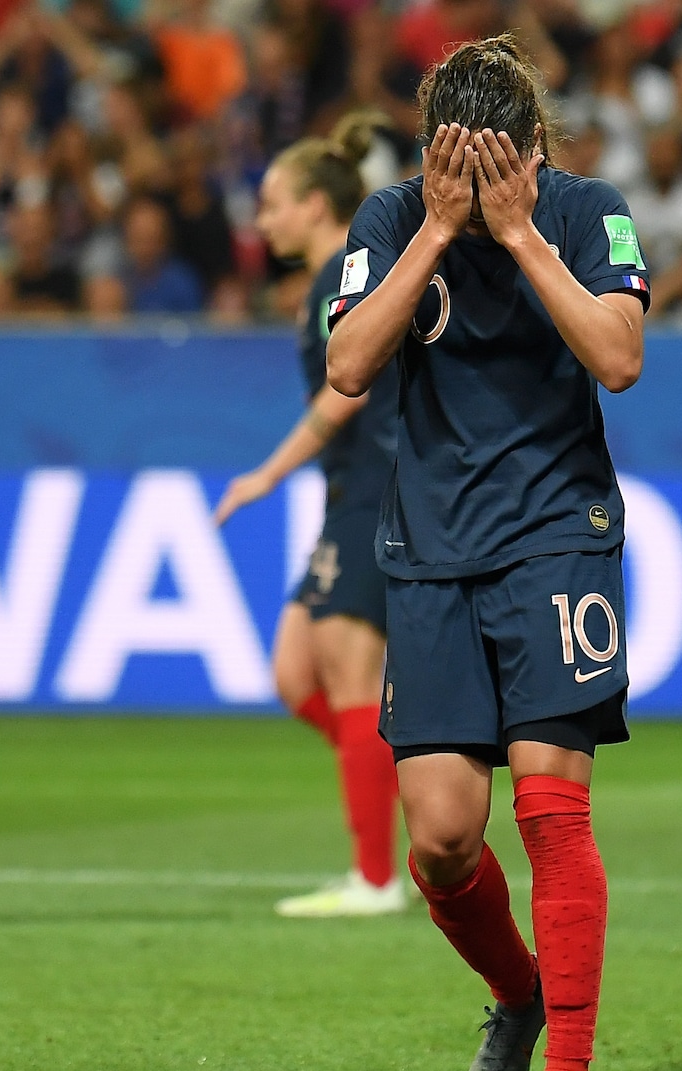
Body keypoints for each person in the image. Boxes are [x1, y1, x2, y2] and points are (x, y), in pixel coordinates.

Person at [325, 35, 648, 1071]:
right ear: (425, 156)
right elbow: (349, 364)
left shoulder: (585, 208)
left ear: (533, 147)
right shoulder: (388, 221)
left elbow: (617, 358)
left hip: (557, 535)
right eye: (449, 165)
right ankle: (515, 997)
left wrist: (514, 233)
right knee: (448, 845)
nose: (472, 183)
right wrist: (437, 226)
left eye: (494, 165)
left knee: (551, 805)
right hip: (429, 553)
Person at [214, 110, 403, 918]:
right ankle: (403, 785)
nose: (263, 221)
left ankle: (376, 878)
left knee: (350, 672)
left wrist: (265, 473)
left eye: (273, 203)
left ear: (318, 206)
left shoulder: (345, 278)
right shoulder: (322, 284)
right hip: (348, 489)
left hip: (378, 483)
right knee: (295, 674)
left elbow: (345, 389)